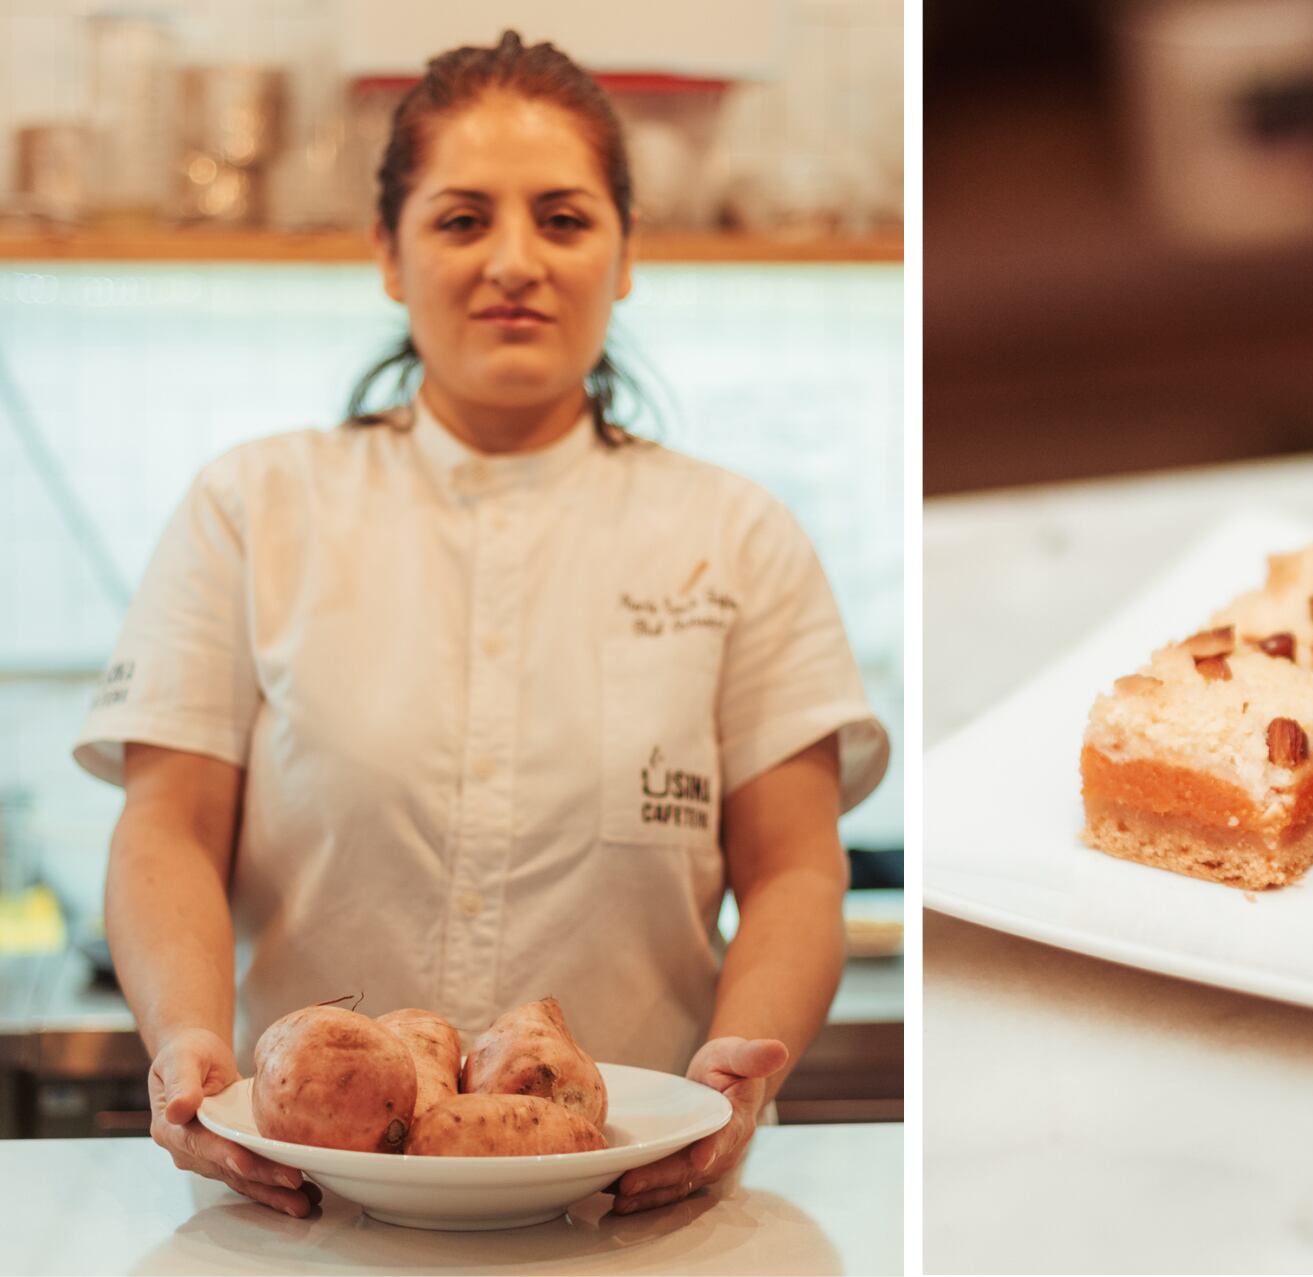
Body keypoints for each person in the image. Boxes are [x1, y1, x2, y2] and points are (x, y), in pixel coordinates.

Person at [72, 32, 888, 1220]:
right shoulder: (251, 508)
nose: (516, 259)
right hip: (304, 1205)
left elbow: (797, 867)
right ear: (388, 255)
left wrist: (739, 1066)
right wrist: (188, 1038)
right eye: (462, 220)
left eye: (562, 219)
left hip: (633, 1210)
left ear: (626, 255)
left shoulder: (739, 534)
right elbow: (169, 829)